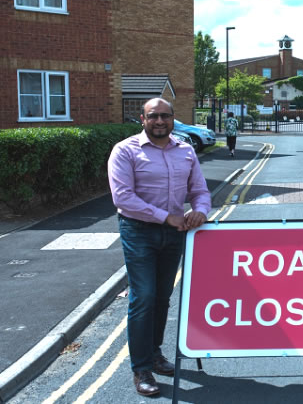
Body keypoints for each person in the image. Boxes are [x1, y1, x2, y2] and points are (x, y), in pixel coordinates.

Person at [108, 98, 211, 397]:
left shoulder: (185, 150)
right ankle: (141, 368)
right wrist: (167, 217)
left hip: (175, 233)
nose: (160, 121)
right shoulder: (125, 151)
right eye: (154, 116)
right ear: (142, 118)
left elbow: (199, 190)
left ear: (173, 119)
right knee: (144, 296)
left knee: (163, 297)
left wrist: (201, 210)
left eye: (165, 116)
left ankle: (154, 353)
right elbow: (123, 198)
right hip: (138, 231)